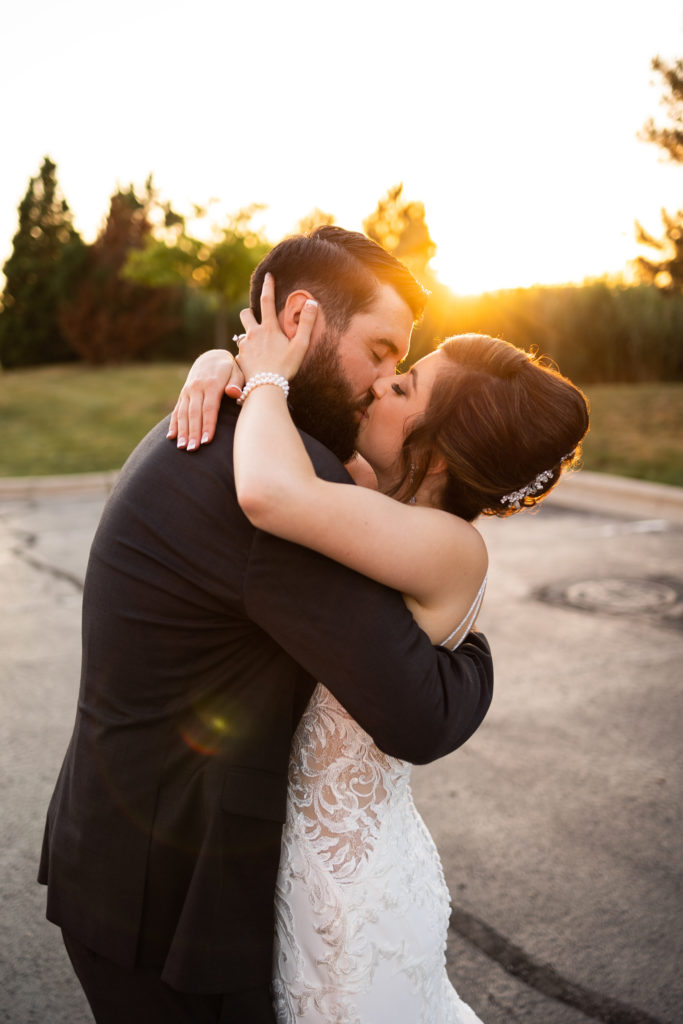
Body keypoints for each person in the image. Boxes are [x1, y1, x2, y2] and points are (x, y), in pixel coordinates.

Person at [38, 227, 494, 1024]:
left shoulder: (244, 431)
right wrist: (474, 641)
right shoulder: (278, 487)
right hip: (172, 907)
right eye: (381, 351)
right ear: (300, 319)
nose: (384, 384)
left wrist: (232, 365)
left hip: (132, 859)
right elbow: (417, 711)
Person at [175, 275, 590, 1023]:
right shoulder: (374, 491)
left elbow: (270, 491)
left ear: (438, 454)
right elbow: (287, 438)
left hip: (352, 891)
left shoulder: (450, 548)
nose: (377, 388)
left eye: (404, 387)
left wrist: (263, 370)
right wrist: (217, 364)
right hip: (300, 861)